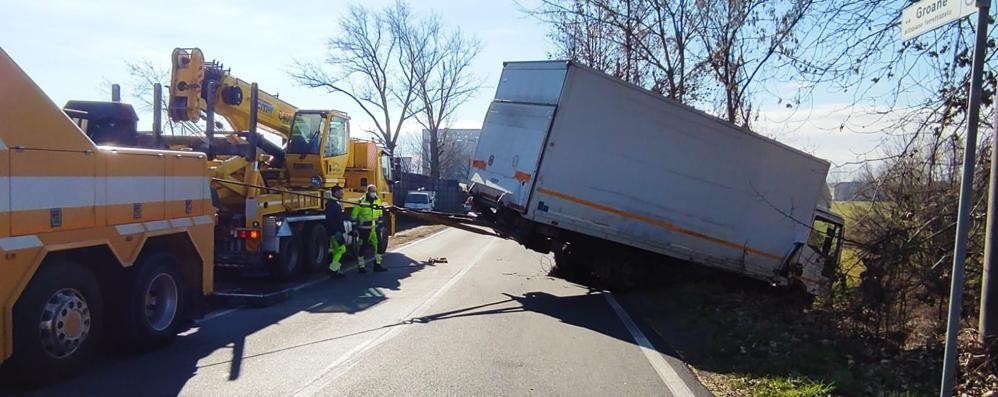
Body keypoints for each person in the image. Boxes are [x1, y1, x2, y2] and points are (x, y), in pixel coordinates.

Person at [351, 184, 387, 272]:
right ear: (368, 191)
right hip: (364, 229)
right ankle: (361, 266)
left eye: (375, 191)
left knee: (379, 246)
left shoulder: (378, 200)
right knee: (362, 248)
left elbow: (380, 214)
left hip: (375, 229)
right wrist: (354, 228)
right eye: (372, 191)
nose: (374, 193)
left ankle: (377, 264)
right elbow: (354, 216)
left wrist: (381, 225)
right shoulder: (361, 201)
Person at [325, 186, 348, 278]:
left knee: (336, 251)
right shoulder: (332, 204)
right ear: (336, 192)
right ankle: (332, 269)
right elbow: (330, 220)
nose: (342, 193)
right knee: (342, 249)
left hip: (335, 231)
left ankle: (336, 271)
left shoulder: (334, 203)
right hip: (335, 232)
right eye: (341, 192)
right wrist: (336, 231)